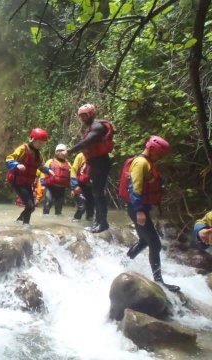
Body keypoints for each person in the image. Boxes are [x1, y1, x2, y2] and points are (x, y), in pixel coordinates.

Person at [118, 135, 180, 292]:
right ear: (152, 149)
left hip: (140, 208)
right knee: (155, 244)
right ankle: (159, 281)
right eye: (159, 154)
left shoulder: (147, 163)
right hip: (137, 208)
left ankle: (122, 265)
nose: (160, 157)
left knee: (145, 241)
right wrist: (139, 211)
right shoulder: (140, 163)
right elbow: (135, 188)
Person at [67, 104, 114, 233]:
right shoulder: (92, 126)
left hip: (101, 162)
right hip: (96, 162)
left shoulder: (97, 126)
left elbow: (87, 141)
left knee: (98, 193)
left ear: (91, 114)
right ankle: (99, 221)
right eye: (81, 116)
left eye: (84, 115)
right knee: (96, 193)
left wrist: (70, 151)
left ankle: (103, 223)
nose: (82, 118)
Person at [6, 128, 48, 225]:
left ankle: (19, 222)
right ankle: (25, 224)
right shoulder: (23, 148)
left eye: (42, 143)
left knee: (32, 207)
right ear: (33, 139)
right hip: (18, 182)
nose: (41, 145)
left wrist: (49, 170)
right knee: (29, 205)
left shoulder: (38, 154)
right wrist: (17, 165)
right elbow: (9, 159)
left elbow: (41, 166)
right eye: (39, 142)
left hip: (27, 183)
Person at [41, 144, 71, 216]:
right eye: (58, 151)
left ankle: (57, 222)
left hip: (61, 188)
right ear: (56, 152)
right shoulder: (50, 161)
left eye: (62, 151)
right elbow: (43, 172)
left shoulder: (68, 164)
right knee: (48, 202)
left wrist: (73, 188)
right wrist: (42, 184)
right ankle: (45, 218)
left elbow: (72, 176)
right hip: (50, 187)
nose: (60, 153)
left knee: (59, 207)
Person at [70, 152, 94, 221]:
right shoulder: (80, 156)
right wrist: (74, 186)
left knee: (91, 210)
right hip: (80, 186)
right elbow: (73, 171)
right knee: (82, 207)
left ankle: (89, 226)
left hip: (91, 187)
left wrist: (103, 188)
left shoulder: (97, 157)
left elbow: (102, 174)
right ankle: (75, 222)